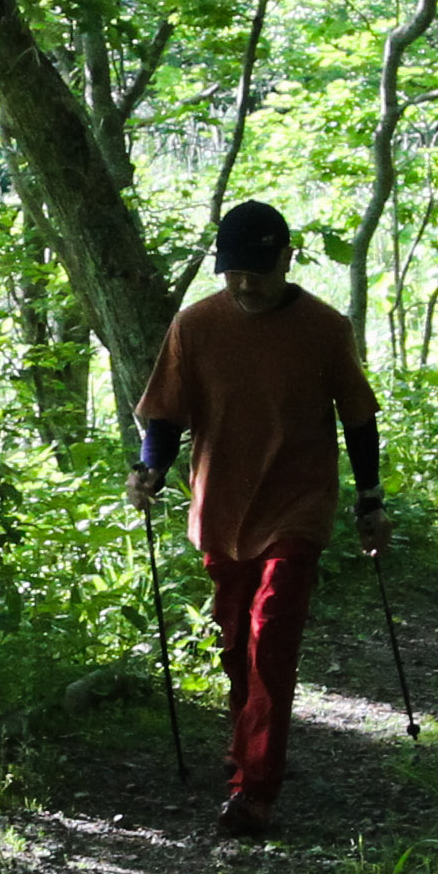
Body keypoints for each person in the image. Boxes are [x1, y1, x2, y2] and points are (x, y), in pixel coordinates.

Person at [128, 201, 384, 838]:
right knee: (235, 640)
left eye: (257, 272)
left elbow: (358, 418)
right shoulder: (196, 326)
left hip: (298, 506)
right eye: (232, 272)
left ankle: (254, 789)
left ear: (287, 259)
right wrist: (150, 468)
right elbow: (165, 413)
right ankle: (249, 744)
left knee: (271, 637)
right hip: (221, 507)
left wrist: (371, 501)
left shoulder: (325, 328)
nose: (244, 285)